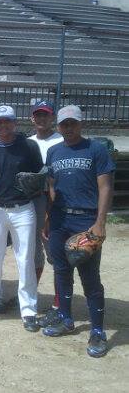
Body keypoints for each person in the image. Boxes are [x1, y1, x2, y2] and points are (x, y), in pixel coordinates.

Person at [42, 105, 114, 358]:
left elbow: (105, 187)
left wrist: (100, 222)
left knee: (90, 277)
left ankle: (97, 330)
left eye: (72, 123)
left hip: (86, 220)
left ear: (81, 123)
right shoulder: (53, 151)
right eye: (63, 124)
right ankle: (66, 317)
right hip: (60, 220)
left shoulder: (96, 149)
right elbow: (51, 187)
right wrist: (48, 219)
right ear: (58, 126)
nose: (68, 128)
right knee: (62, 273)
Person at [0, 105, 42, 332]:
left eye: (7, 121)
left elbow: (40, 176)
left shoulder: (29, 146)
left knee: (25, 260)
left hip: (23, 209)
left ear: (15, 122)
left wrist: (35, 185)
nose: (3, 125)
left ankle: (28, 310)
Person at [28, 100, 64, 327]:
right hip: (30, 200)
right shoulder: (28, 142)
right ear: (32, 118)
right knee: (33, 251)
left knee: (55, 251)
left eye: (46, 115)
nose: (41, 119)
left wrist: (52, 210)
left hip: (54, 200)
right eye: (38, 115)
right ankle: (30, 296)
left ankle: (60, 303)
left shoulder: (60, 141)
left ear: (52, 118)